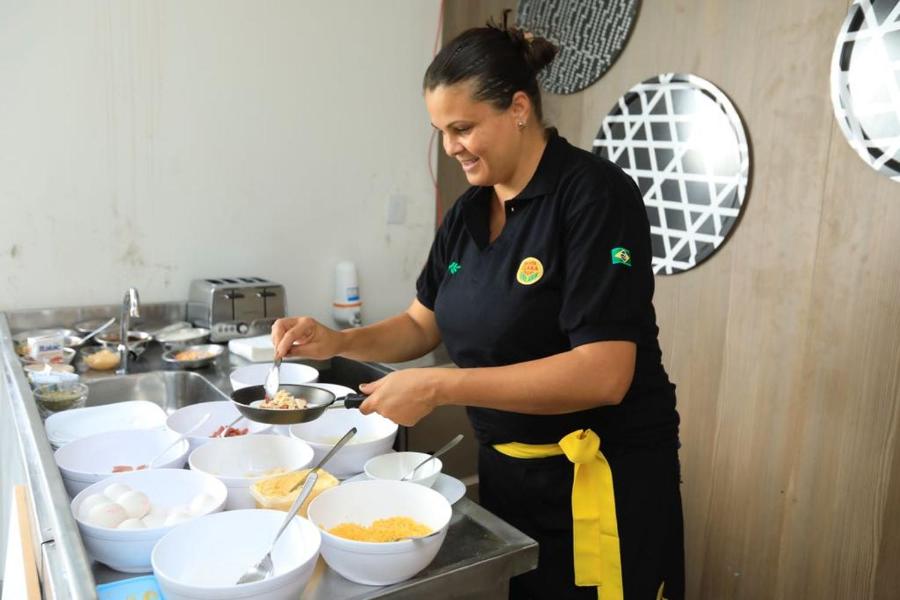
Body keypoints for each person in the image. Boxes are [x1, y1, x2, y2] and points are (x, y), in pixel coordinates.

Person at [272, 21, 684, 600]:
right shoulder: (468, 213)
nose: (450, 147)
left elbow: (604, 373)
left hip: (601, 477)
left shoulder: (594, 196)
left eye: (462, 128)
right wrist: (338, 342)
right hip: (510, 473)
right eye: (441, 132)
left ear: (518, 109)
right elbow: (421, 324)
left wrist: (440, 386)